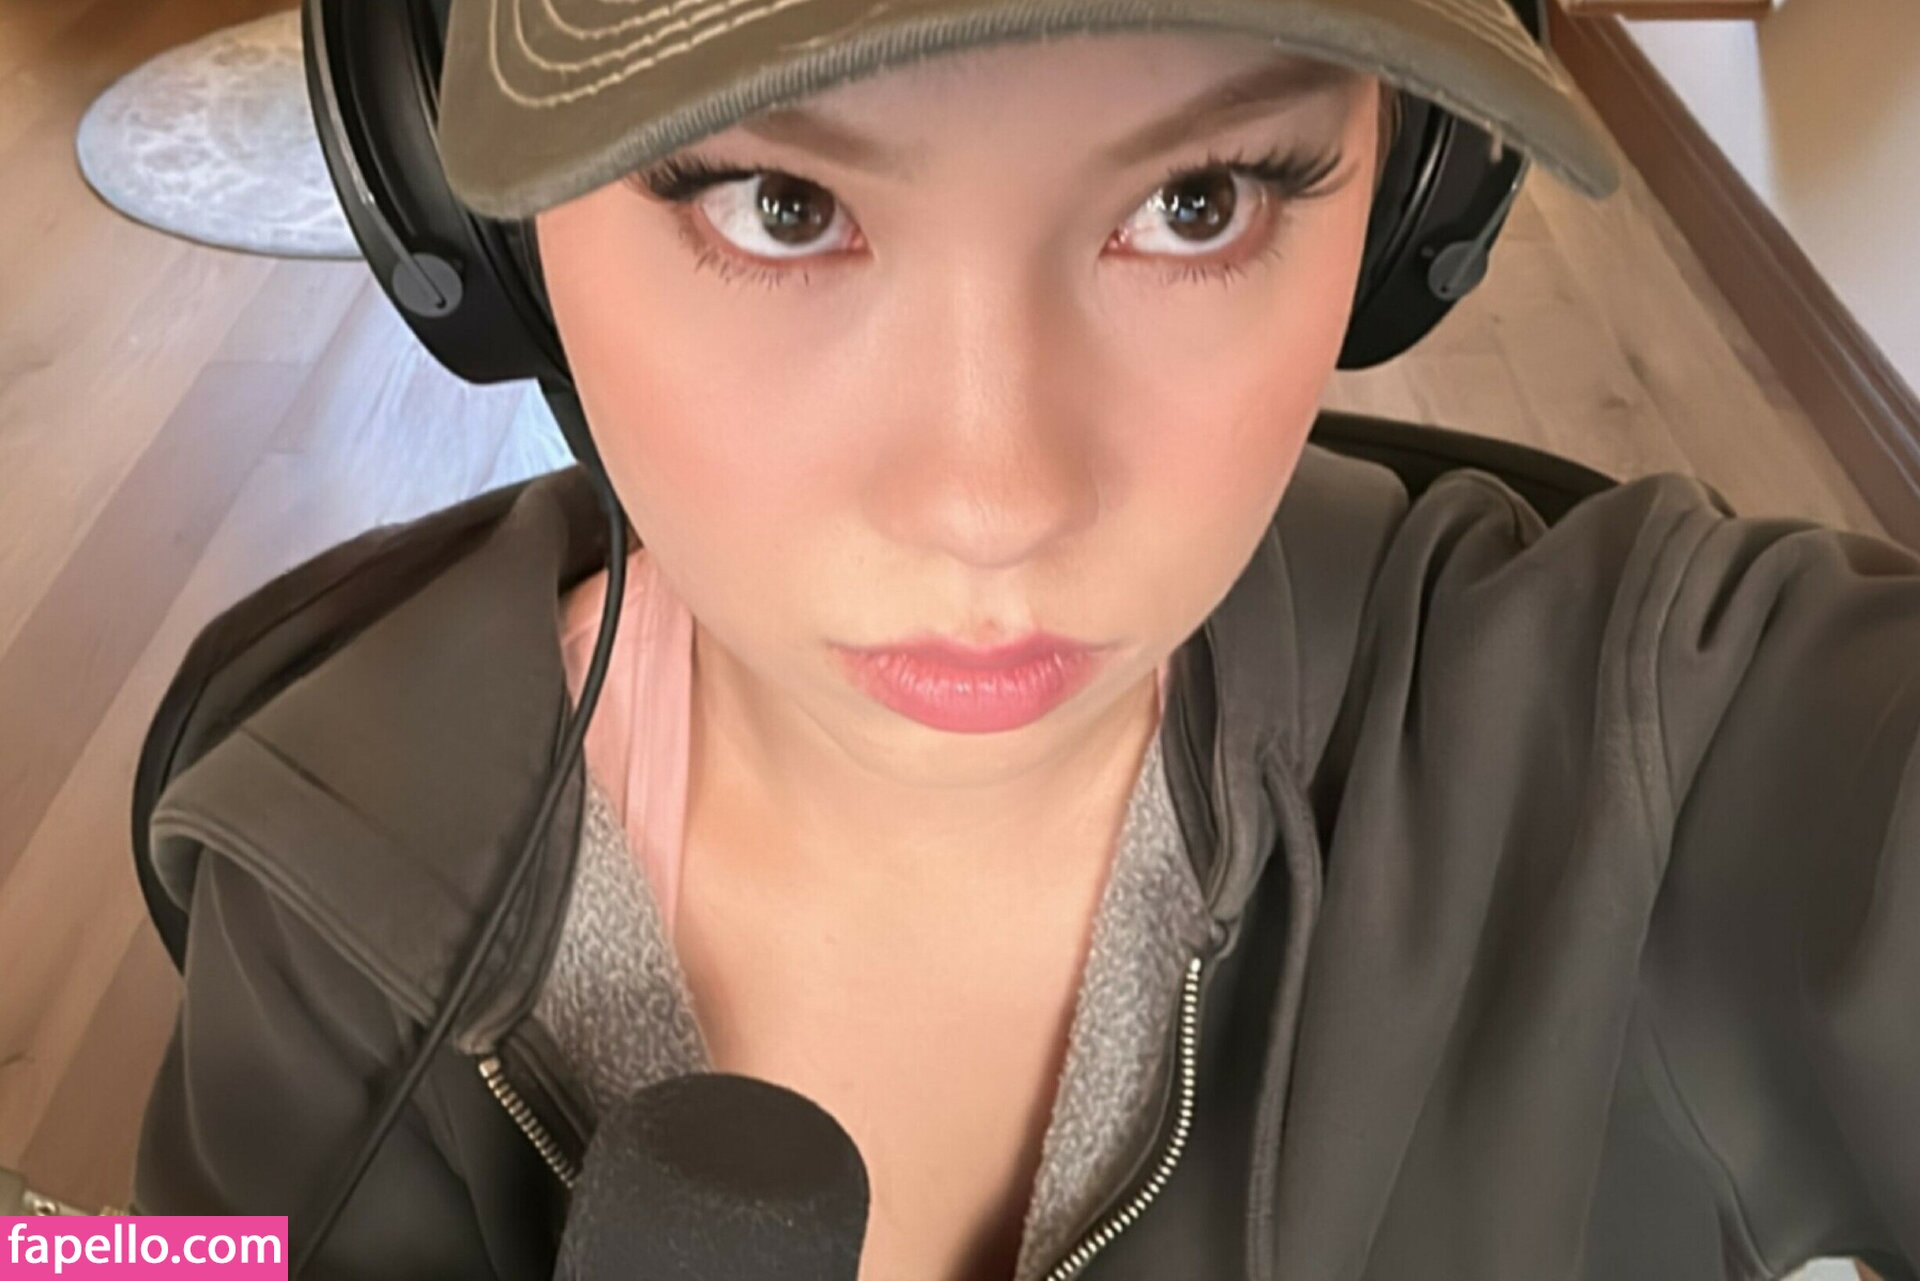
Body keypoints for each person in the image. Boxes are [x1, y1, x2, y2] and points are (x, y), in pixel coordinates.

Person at [129, 0, 1920, 1277]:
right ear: (469, 209)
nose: (992, 502)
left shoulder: (1651, 735)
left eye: (1201, 197)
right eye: (780, 202)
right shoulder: (315, 890)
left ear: (1412, 191)